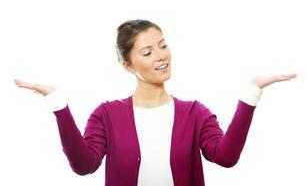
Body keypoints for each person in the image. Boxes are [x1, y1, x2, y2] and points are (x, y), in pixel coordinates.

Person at [14, 19, 297, 186]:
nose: (161, 56)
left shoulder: (194, 113)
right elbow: (84, 165)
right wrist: (58, 105)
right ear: (128, 66)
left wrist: (250, 95)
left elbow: (225, 157)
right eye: (148, 52)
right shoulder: (106, 115)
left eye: (163, 45)